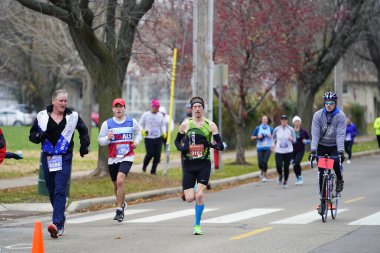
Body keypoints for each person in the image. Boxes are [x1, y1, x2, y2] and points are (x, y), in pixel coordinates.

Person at [29, 89, 90, 239]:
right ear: (53, 101)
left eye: (65, 101)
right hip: (48, 157)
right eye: (61, 101)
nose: (63, 103)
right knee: (51, 190)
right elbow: (32, 135)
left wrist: (84, 145)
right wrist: (39, 136)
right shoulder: (42, 116)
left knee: (60, 189)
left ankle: (56, 223)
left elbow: (83, 131)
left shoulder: (73, 117)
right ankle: (61, 218)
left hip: (65, 157)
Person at [174, 96, 224, 235]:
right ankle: (195, 187)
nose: (197, 109)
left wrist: (210, 144)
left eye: (199, 107)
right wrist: (182, 148)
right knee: (190, 198)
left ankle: (197, 225)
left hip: (204, 164)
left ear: (203, 109)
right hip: (189, 164)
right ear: (191, 109)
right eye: (194, 107)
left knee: (200, 196)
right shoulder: (185, 124)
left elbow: (220, 146)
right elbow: (176, 142)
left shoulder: (211, 125)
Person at [98, 98, 142, 222]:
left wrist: (136, 141)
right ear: (113, 109)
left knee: (120, 181)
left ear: (124, 108)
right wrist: (108, 137)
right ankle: (121, 203)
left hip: (127, 156)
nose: (118, 109)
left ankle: (119, 210)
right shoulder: (107, 124)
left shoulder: (131, 122)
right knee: (115, 185)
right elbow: (100, 141)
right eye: (116, 107)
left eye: (120, 106)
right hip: (113, 158)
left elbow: (139, 134)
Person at [308, 91, 346, 214]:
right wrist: (313, 150)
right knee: (321, 173)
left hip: (334, 145)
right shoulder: (318, 115)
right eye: (326, 103)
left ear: (335, 103)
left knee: (334, 161)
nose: (328, 105)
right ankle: (323, 201)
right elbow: (315, 134)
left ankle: (339, 179)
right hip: (322, 145)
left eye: (331, 103)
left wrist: (340, 151)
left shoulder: (340, 116)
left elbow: (340, 134)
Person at [139, 99, 166, 175]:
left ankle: (153, 171)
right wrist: (142, 131)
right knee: (150, 153)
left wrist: (164, 132)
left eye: (158, 107)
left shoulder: (160, 115)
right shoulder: (146, 115)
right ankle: (144, 165)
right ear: (152, 106)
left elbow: (163, 125)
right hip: (148, 138)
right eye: (155, 107)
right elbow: (140, 124)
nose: (157, 109)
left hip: (158, 137)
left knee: (157, 155)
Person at [272, 114, 296, 188]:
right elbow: (273, 138)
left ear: (287, 121)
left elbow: (295, 140)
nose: (283, 121)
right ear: (280, 121)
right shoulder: (277, 129)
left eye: (285, 120)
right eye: (282, 120)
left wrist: (291, 138)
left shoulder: (291, 129)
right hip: (279, 151)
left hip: (288, 151)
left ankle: (285, 181)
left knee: (286, 167)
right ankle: (280, 175)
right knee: (278, 166)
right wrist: (273, 144)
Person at [251, 115, 273, 182]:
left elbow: (275, 137)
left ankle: (264, 175)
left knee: (265, 161)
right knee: (260, 163)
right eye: (263, 119)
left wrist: (271, 136)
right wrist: (258, 137)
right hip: (260, 147)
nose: (264, 120)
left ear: (268, 120)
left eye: (266, 119)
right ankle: (261, 170)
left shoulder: (271, 129)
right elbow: (252, 137)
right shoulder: (258, 128)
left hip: (268, 147)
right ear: (261, 120)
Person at [291, 116, 310, 185]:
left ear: (300, 123)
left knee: (297, 162)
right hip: (292, 150)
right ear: (293, 123)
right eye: (296, 121)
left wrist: (306, 141)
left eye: (298, 121)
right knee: (294, 165)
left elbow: (309, 140)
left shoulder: (303, 131)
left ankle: (300, 177)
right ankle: (298, 178)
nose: (297, 123)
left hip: (301, 149)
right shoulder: (291, 131)